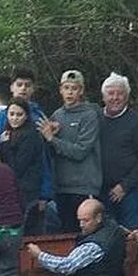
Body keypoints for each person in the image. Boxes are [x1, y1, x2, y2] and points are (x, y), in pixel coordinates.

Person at [39, 70, 102, 233]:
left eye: (74, 88)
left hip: (84, 187)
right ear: (60, 90)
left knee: (86, 232)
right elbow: (49, 150)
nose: (70, 92)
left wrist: (53, 139)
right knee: (66, 233)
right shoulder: (56, 115)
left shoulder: (89, 115)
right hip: (61, 187)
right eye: (66, 88)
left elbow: (81, 151)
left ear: (81, 91)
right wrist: (48, 136)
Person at [0, 67, 54, 218]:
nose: (23, 89)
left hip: (32, 185)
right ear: (11, 87)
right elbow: (2, 148)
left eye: (27, 85)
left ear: (33, 88)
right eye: (19, 84)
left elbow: (44, 157)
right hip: (7, 183)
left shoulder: (39, 115)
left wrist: (45, 192)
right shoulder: (3, 115)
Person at [99, 72, 138, 229]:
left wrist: (125, 186)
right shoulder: (95, 119)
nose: (115, 98)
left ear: (127, 96)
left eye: (120, 93)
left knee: (131, 235)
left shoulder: (137, 122)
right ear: (103, 97)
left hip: (130, 191)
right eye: (111, 93)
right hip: (100, 190)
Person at [0, 97, 48, 235]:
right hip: (11, 192)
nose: (14, 118)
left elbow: (17, 167)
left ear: (26, 116)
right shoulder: (6, 134)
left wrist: (5, 145)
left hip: (27, 193)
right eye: (11, 114)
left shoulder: (31, 136)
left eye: (19, 115)